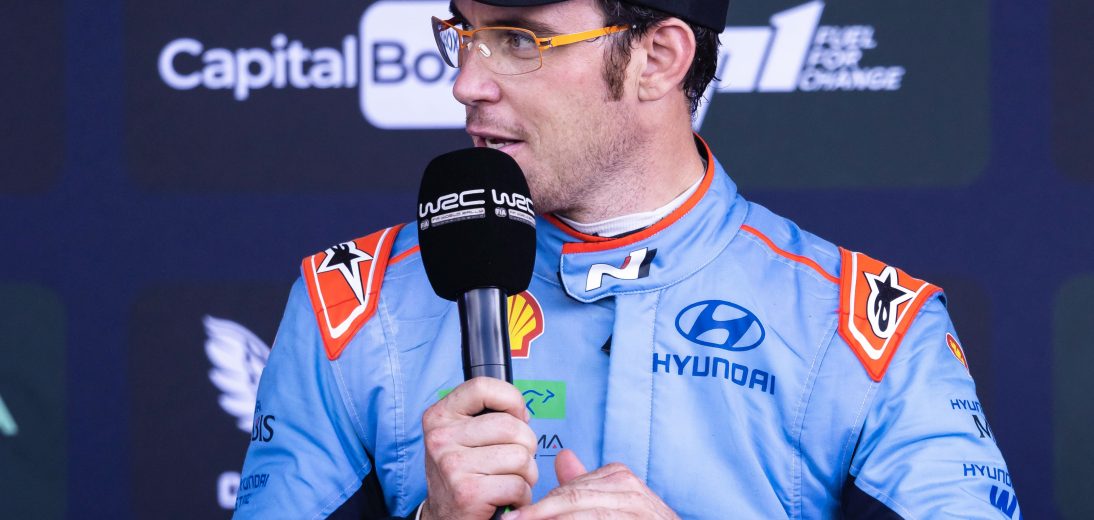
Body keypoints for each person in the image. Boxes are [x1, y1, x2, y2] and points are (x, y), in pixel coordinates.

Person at [235, 0, 1019, 518]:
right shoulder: (351, 304)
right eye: (464, 32)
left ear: (658, 58)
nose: (466, 82)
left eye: (517, 40)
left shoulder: (869, 331)